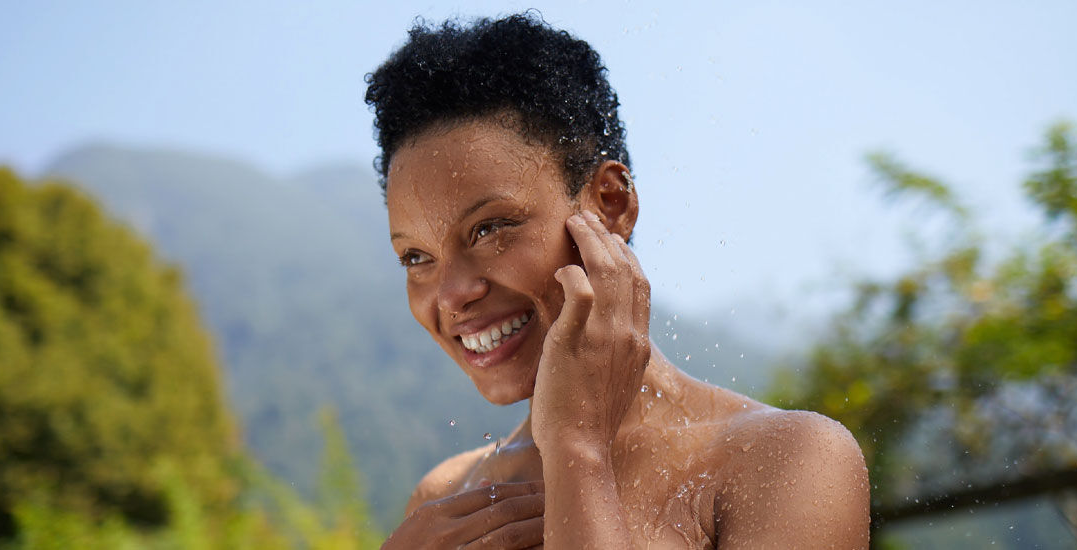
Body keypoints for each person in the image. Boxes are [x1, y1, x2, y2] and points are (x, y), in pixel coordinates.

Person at [366, 13, 869, 549]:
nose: (450, 295)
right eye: (416, 258)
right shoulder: (444, 497)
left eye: (490, 229)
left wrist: (576, 450)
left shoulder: (785, 459)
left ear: (611, 203)